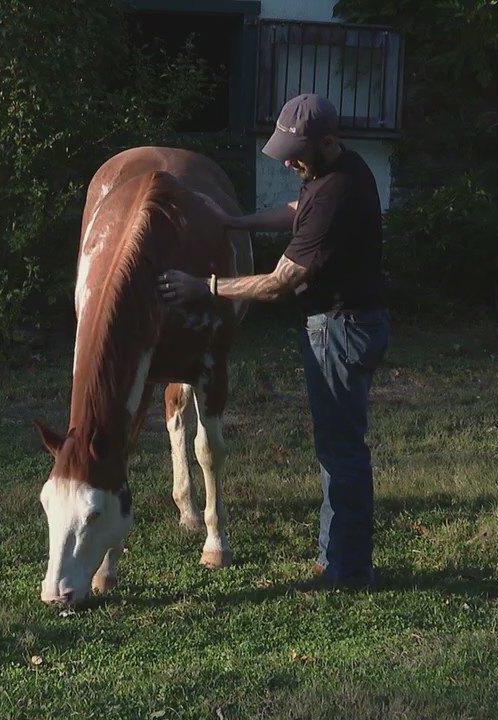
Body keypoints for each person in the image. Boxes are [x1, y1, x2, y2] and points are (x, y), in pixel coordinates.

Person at [157, 93, 390, 588]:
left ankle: (349, 571)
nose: (287, 160)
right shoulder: (339, 172)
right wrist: (236, 221)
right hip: (345, 324)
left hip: (340, 331)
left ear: (326, 141)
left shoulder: (334, 196)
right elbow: (295, 210)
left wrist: (208, 287)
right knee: (336, 447)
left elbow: (277, 283)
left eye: (296, 150)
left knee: (341, 451)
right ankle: (337, 560)